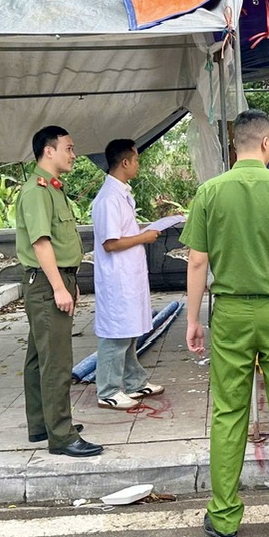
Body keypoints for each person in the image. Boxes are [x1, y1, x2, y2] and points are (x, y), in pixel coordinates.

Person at [182, 109, 269, 537]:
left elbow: (198, 261)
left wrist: (192, 319)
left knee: (228, 413)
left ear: (235, 144)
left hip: (231, 315)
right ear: (267, 144)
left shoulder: (209, 192)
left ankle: (224, 519)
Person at [15, 125, 103, 458]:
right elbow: (41, 242)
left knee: (39, 358)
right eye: (68, 147)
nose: (73, 153)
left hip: (53, 279)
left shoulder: (51, 188)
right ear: (48, 151)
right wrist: (57, 286)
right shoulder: (37, 191)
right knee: (57, 361)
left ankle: (43, 424)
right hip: (46, 282)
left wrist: (69, 282)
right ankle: (62, 436)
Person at [90, 138, 163, 410]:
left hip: (128, 275)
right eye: (136, 160)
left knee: (130, 331)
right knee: (116, 335)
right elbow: (110, 242)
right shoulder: (109, 198)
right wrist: (143, 237)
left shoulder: (121, 192)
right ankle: (108, 390)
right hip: (116, 278)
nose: (138, 165)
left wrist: (141, 234)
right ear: (125, 162)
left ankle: (134, 381)